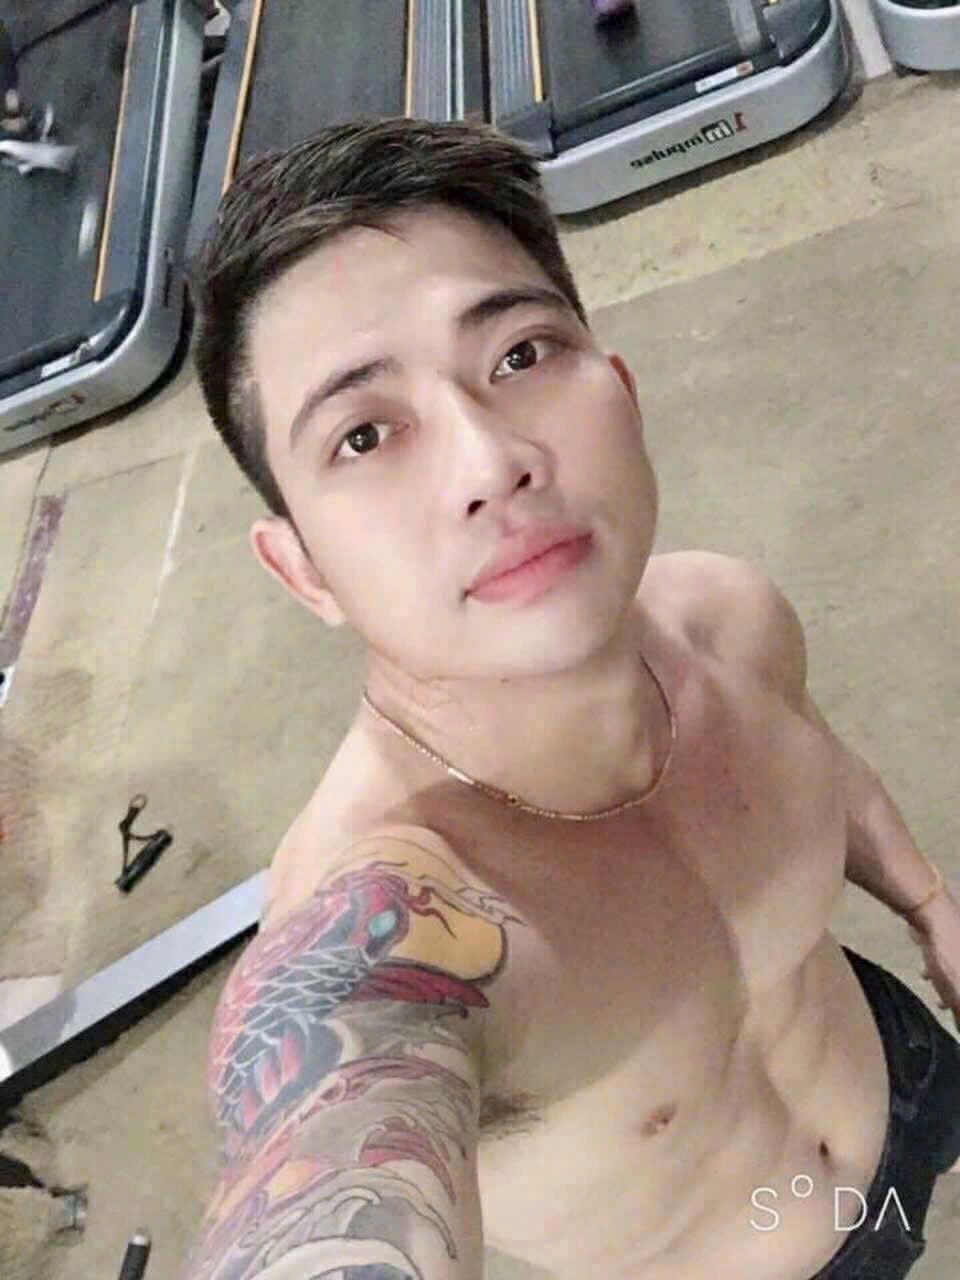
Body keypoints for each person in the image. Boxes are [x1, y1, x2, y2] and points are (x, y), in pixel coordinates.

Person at [184, 116, 960, 1280]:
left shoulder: (731, 618)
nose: (489, 460)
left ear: (623, 391)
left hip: (901, 1074)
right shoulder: (390, 927)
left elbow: (819, 764)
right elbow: (330, 1160)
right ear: (302, 570)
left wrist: (930, 900)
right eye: (364, 433)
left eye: (520, 355)